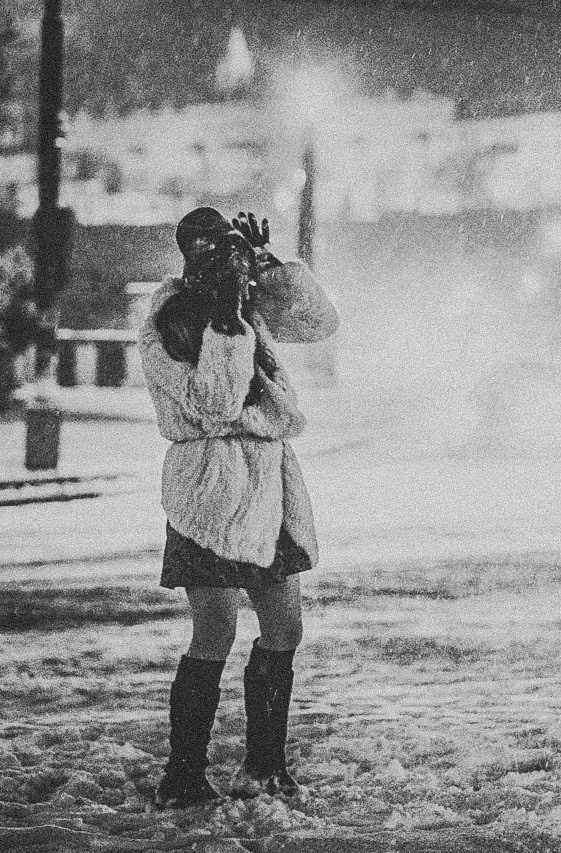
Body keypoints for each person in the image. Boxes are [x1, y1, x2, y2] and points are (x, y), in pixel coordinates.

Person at [139, 207, 338, 808]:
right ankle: (184, 776)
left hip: (269, 489)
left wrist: (267, 268)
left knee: (285, 627)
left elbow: (320, 320)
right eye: (211, 253)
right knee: (215, 630)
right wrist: (227, 320)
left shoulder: (244, 302)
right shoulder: (170, 322)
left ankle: (265, 764)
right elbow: (217, 403)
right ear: (189, 259)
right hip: (211, 491)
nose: (222, 263)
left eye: (227, 251)